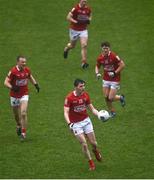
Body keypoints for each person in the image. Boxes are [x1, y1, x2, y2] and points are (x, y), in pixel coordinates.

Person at [64, 79, 102, 171]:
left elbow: (92, 109)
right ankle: (91, 163)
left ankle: (95, 150)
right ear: (76, 87)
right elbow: (65, 112)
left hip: (86, 121)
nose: (83, 88)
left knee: (93, 143)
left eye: (84, 86)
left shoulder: (85, 95)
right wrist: (70, 124)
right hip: (76, 124)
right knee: (84, 144)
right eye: (81, 86)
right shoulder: (69, 98)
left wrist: (99, 114)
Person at [4, 55, 40, 140]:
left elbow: (30, 76)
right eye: (22, 62)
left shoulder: (27, 70)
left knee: (23, 113)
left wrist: (36, 84)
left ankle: (23, 133)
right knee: (16, 116)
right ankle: (18, 125)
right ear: (18, 62)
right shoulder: (13, 71)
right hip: (14, 96)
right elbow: (5, 82)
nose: (24, 63)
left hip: (24, 94)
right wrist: (12, 87)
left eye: (25, 62)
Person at [95, 41, 126, 117]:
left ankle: (120, 97)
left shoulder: (114, 56)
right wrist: (97, 73)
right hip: (106, 79)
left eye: (107, 48)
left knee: (111, 98)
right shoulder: (100, 58)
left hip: (115, 79)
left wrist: (115, 73)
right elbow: (97, 66)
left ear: (109, 48)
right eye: (104, 48)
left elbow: (122, 65)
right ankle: (112, 112)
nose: (105, 50)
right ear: (101, 48)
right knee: (106, 97)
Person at [63, 0, 92, 69]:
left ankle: (84, 62)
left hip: (83, 30)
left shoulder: (88, 9)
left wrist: (89, 20)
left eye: (85, 1)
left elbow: (90, 15)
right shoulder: (75, 9)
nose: (84, 3)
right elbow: (68, 17)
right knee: (72, 46)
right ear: (80, 1)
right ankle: (66, 49)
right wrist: (75, 21)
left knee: (84, 45)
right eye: (83, 1)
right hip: (74, 30)